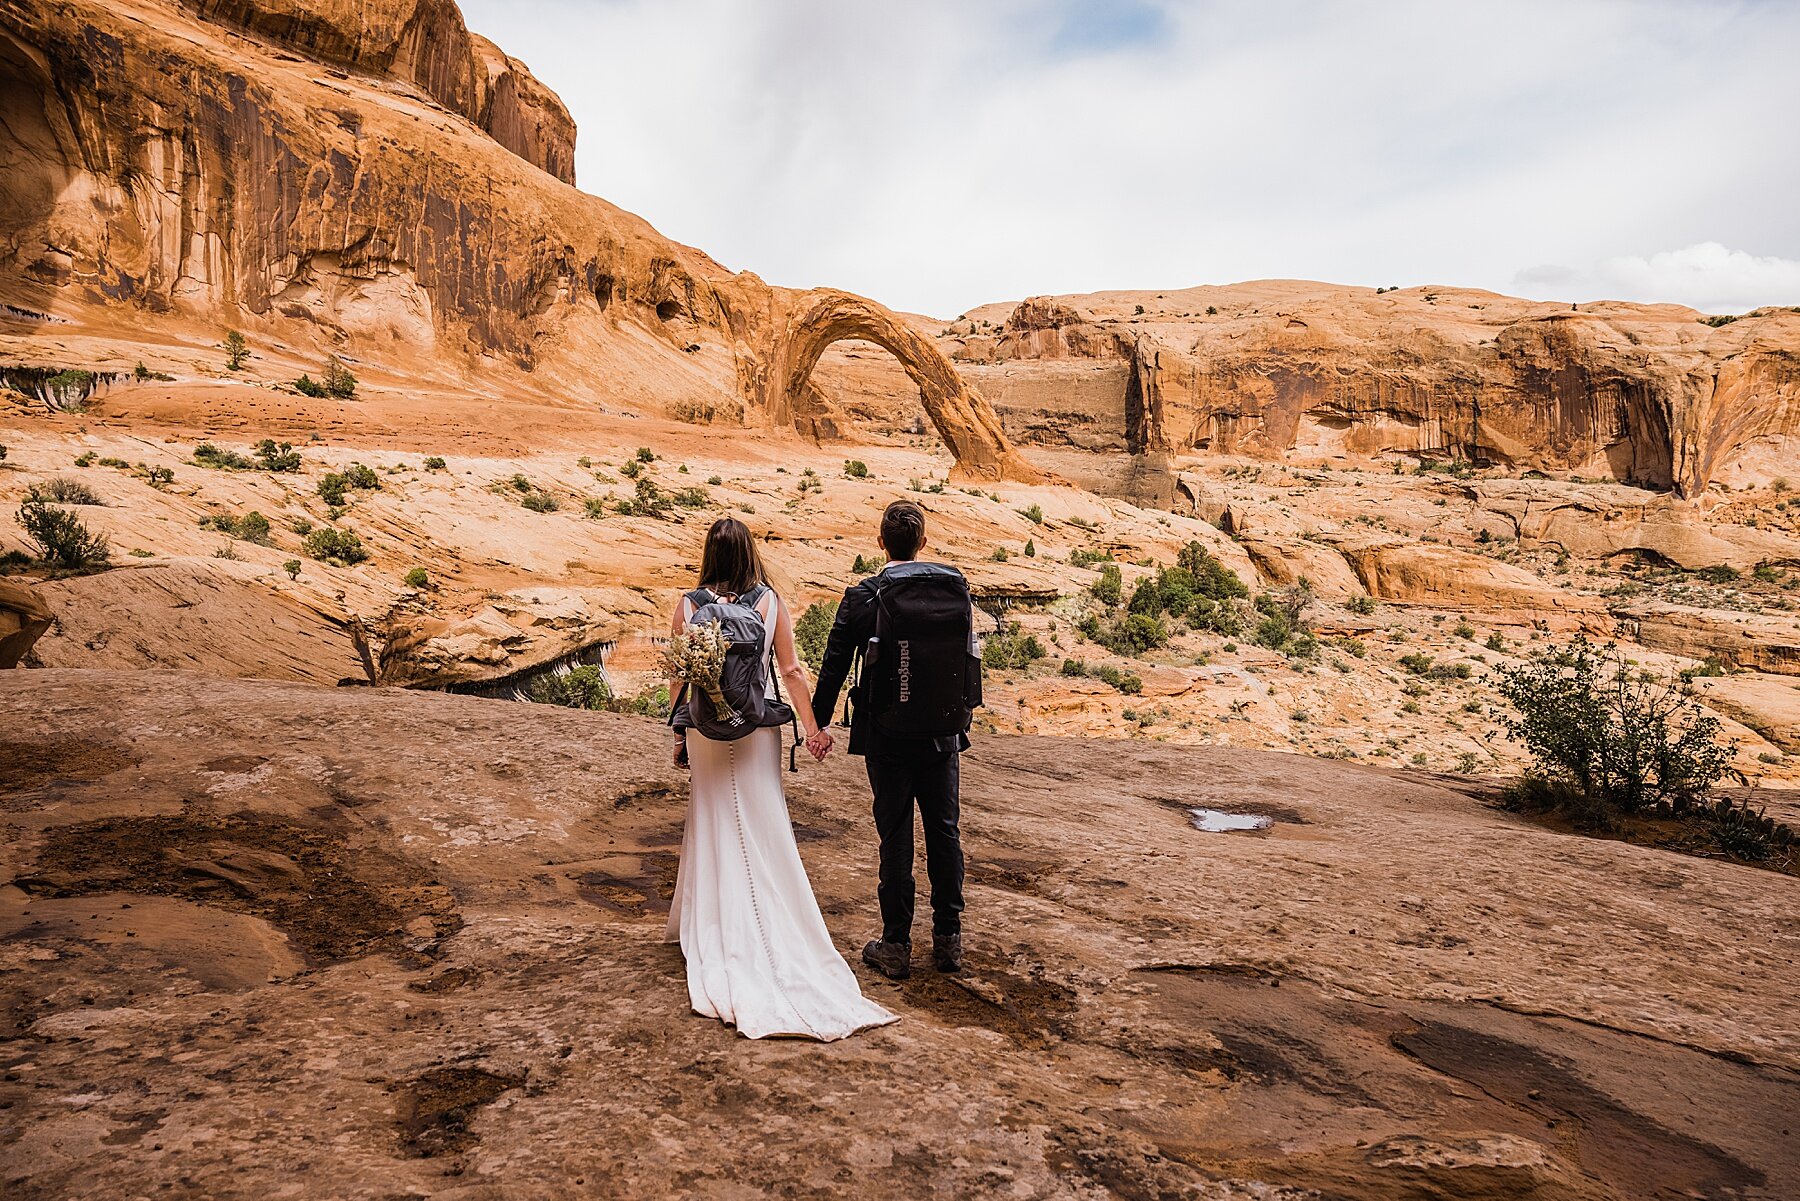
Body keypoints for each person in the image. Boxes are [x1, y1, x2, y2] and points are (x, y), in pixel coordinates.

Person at [665, 517, 897, 1040]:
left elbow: (680, 680)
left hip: (705, 732)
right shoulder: (769, 603)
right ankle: (776, 929)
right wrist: (812, 730)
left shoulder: (687, 605)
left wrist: (677, 737)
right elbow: (790, 672)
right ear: (750, 554)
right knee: (763, 824)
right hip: (756, 729)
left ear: (709, 554)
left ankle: (714, 928)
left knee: (712, 819)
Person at [808, 500, 978, 981]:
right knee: (945, 830)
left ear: (880, 542)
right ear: (923, 542)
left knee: (895, 834)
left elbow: (835, 664)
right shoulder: (954, 588)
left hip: (886, 736)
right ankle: (949, 940)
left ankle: (897, 944)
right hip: (943, 734)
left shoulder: (866, 595)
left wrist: (817, 725)